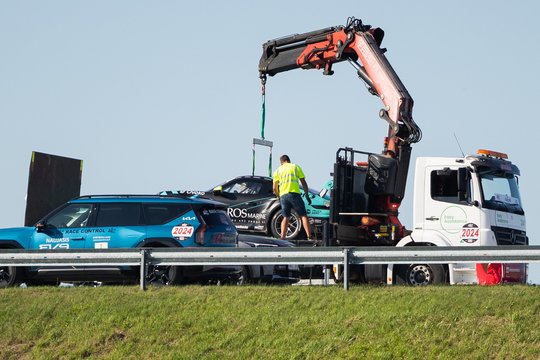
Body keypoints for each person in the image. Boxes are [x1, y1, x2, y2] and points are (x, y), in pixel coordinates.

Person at [272, 154, 313, 241]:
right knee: (303, 215)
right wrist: (306, 195)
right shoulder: (295, 167)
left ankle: (282, 238)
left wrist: (278, 196)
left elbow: (274, 188)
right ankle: (309, 237)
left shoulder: (277, 170)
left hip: (283, 196)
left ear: (281, 162)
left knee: (285, 217)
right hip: (294, 194)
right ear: (288, 160)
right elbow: (304, 183)